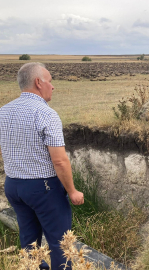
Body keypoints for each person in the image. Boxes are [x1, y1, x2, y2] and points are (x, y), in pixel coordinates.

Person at [0, 63, 84, 270]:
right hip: (43, 188)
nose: (53, 86)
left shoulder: (3, 111)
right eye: (50, 80)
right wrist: (72, 191)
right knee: (61, 243)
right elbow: (59, 160)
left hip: (13, 186)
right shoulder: (46, 114)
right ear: (38, 82)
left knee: (28, 239)